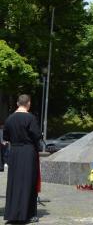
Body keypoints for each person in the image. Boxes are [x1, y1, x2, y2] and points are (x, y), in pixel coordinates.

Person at [4, 94, 41, 223]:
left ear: (17, 103)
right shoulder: (31, 118)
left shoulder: (9, 119)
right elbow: (36, 136)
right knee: (28, 182)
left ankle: (12, 214)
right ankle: (27, 214)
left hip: (14, 152)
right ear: (28, 103)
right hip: (28, 151)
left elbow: (6, 137)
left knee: (14, 182)